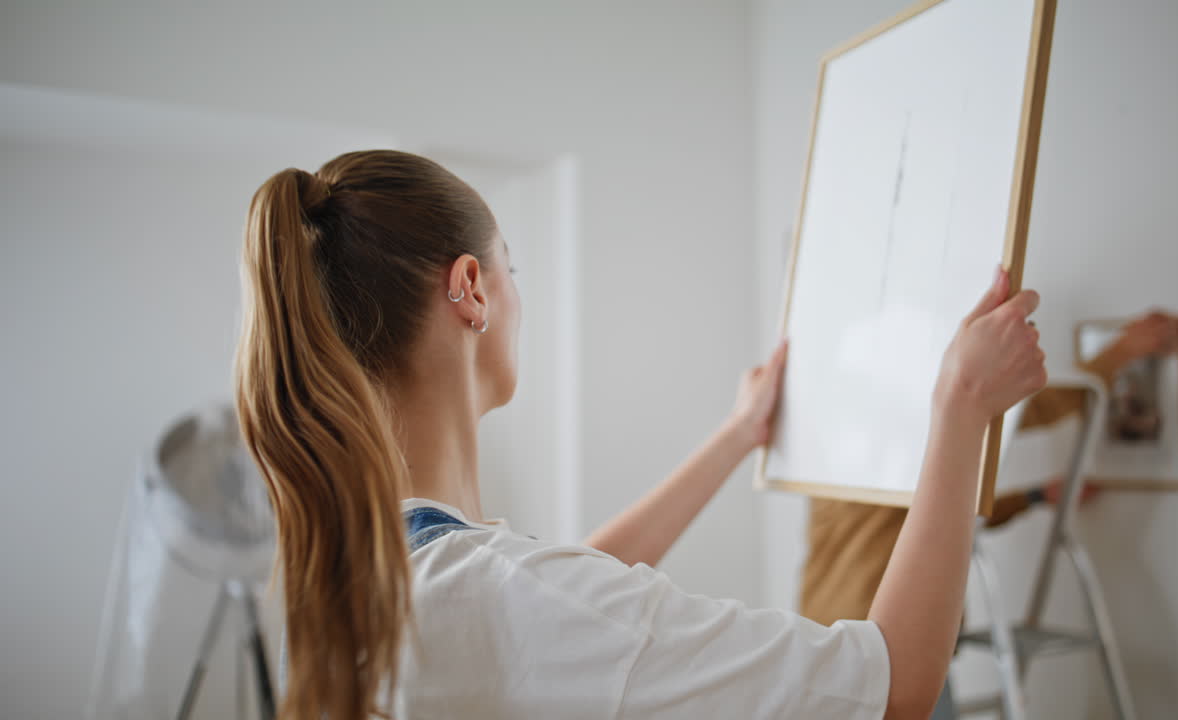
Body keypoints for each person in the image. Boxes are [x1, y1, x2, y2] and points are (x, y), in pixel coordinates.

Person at [234, 149, 1046, 720]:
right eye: (510, 267)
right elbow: (897, 687)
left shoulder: (372, 571)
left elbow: (568, 585)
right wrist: (962, 403)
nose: (518, 293)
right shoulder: (503, 594)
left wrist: (736, 437)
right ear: (471, 291)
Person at [799, 310, 1178, 717]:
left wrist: (1035, 495)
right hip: (886, 644)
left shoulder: (842, 439)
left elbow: (928, 514)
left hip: (831, 637)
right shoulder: (890, 432)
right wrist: (1120, 353)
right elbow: (1011, 413)